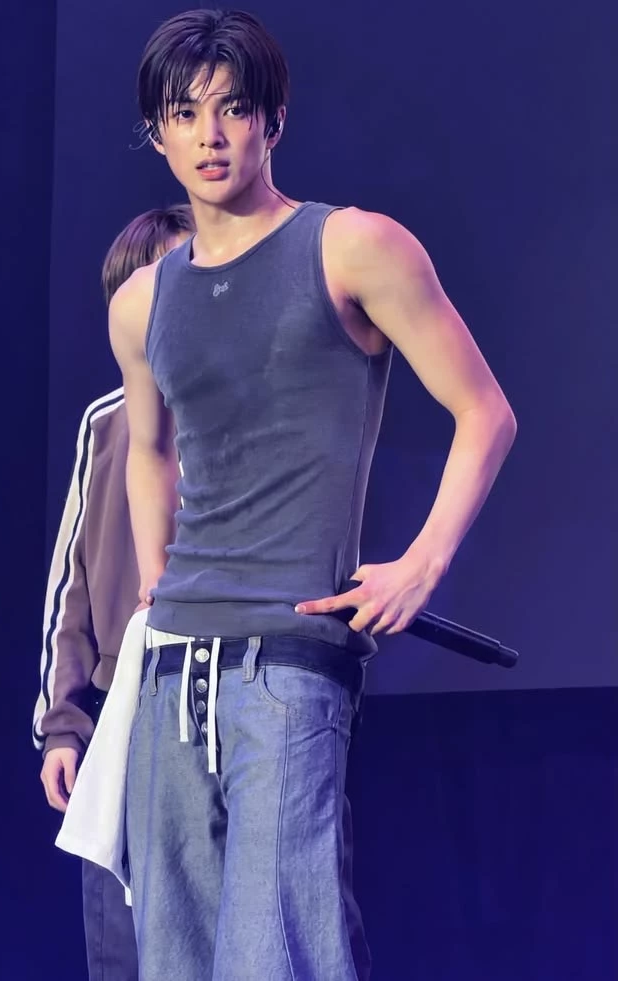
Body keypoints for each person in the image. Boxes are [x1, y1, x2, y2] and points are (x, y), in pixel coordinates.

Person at [108, 9, 517, 980]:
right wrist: (154, 582)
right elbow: (147, 451)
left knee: (275, 954)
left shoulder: (352, 247)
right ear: (156, 133)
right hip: (171, 668)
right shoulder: (142, 300)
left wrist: (421, 564)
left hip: (287, 665)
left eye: (232, 108)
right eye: (185, 113)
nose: (210, 135)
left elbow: (485, 412)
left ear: (272, 121)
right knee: (172, 959)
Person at [33, 204, 194, 981]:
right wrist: (63, 725)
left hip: (221, 699)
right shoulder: (107, 423)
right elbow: (71, 584)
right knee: (124, 939)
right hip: (121, 710)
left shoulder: (247, 409)